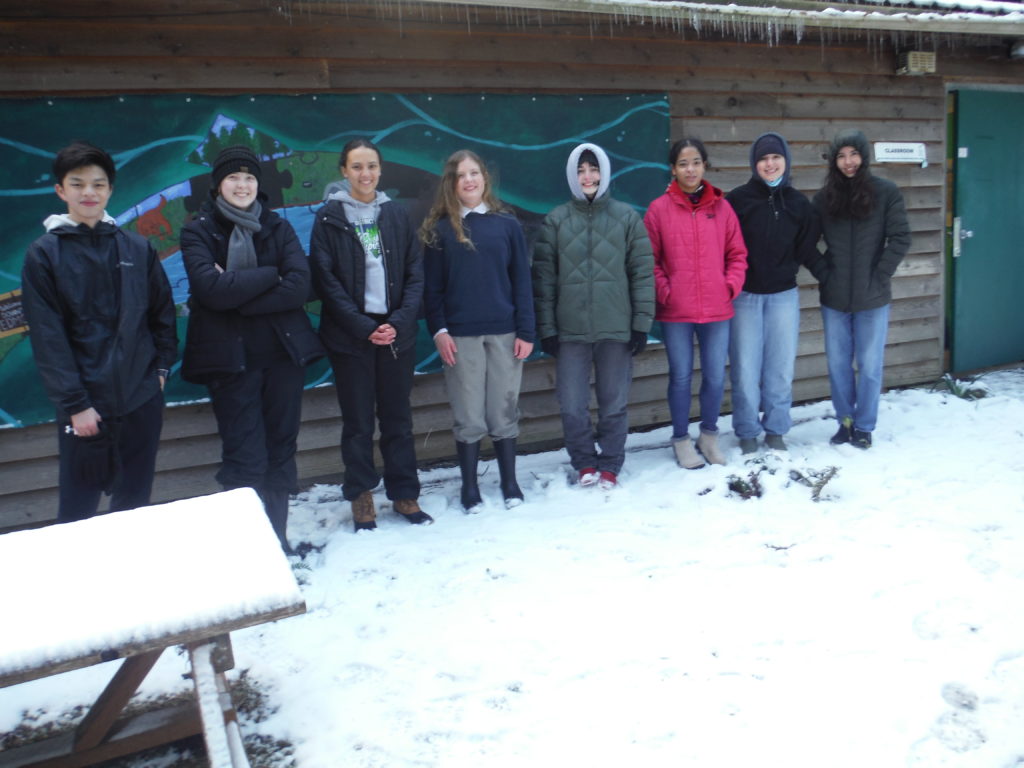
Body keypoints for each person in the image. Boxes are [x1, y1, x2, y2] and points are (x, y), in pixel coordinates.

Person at [21, 140, 178, 523]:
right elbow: (48, 336)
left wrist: (159, 371)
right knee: (79, 511)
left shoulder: (136, 248)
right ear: (61, 190)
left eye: (98, 183)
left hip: (141, 401)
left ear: (110, 189)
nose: (88, 192)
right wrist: (76, 405)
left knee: (134, 504)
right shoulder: (44, 254)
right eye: (77, 184)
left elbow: (162, 315)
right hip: (86, 411)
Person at [180, 145, 324, 554]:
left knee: (281, 449)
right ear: (218, 185)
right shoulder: (198, 231)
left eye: (248, 178)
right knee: (245, 457)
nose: (242, 185)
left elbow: (300, 285)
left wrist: (238, 292)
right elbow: (209, 289)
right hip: (230, 363)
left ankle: (277, 542)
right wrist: (270, 275)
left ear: (258, 184)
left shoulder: (277, 227)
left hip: (282, 358)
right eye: (233, 178)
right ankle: (250, 553)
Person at [310, 138, 431, 532]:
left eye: (372, 166)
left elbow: (415, 272)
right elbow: (326, 281)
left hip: (396, 335)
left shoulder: (395, 215)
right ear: (344, 171)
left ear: (381, 170)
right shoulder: (328, 218)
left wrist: (396, 322)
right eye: (357, 166)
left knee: (398, 419)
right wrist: (364, 327)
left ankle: (404, 493)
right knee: (359, 422)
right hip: (351, 339)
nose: (366, 174)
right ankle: (361, 495)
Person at [532, 142, 654, 490]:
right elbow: (544, 278)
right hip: (570, 331)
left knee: (614, 404)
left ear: (604, 173)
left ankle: (611, 463)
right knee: (572, 406)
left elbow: (642, 273)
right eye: (581, 170)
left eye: (593, 169)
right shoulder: (556, 220)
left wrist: (640, 324)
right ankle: (584, 462)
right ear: (573, 176)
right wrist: (548, 328)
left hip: (616, 328)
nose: (588, 176)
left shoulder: (626, 217)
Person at [420, 149, 535, 511]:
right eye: (460, 175)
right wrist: (439, 330)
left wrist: (526, 331)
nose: (468, 180)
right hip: (460, 336)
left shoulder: (507, 225)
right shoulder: (440, 230)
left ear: (484, 177)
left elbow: (522, 281)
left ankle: (509, 482)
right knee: (469, 415)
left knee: (503, 410)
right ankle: (470, 488)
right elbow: (432, 289)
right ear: (451, 184)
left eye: (474, 173)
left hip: (504, 333)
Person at [644, 137, 748, 469]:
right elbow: (650, 260)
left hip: (717, 309)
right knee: (680, 377)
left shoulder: (722, 207)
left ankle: (709, 435)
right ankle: (680, 439)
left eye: (696, 162)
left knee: (716, 376)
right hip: (676, 311)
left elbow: (737, 255)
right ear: (673, 169)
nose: (691, 169)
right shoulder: (658, 209)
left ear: (705, 166)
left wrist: (729, 286)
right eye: (684, 163)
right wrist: (666, 291)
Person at [726, 132, 824, 454]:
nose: (770, 164)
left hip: (784, 296)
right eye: (763, 159)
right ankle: (747, 431)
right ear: (755, 164)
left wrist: (812, 272)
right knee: (744, 369)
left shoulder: (798, 203)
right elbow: (725, 246)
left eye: (775, 158)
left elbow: (806, 246)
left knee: (780, 368)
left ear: (785, 161)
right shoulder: (737, 201)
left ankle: (777, 430)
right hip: (746, 298)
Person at [813, 129, 911, 449]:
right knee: (838, 364)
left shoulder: (886, 193)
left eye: (853, 154)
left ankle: (865, 425)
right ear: (834, 161)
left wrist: (880, 275)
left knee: (869, 365)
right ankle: (845, 421)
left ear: (863, 156)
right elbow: (806, 244)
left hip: (873, 298)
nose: (848, 162)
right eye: (841, 156)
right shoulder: (824, 199)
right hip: (835, 298)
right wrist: (826, 274)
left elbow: (900, 238)